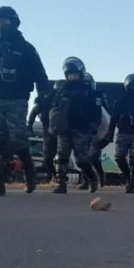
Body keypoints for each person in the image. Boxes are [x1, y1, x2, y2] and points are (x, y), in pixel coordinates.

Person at [0, 6, 48, 196]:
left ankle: (30, 173)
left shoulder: (26, 49)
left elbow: (40, 74)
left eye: (4, 21)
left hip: (17, 98)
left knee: (17, 141)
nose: (0, 25)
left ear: (14, 22)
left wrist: (43, 95)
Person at [49, 57, 101, 194]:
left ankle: (92, 177)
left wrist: (93, 127)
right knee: (61, 156)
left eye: (75, 74)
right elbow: (54, 109)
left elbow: (97, 113)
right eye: (69, 74)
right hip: (64, 129)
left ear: (81, 73)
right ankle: (61, 184)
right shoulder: (61, 90)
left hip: (82, 129)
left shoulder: (90, 92)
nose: (72, 77)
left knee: (81, 160)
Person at [28, 79, 66, 180]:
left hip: (64, 132)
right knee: (48, 157)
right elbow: (35, 111)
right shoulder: (48, 99)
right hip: (49, 130)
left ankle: (61, 178)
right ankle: (54, 176)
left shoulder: (70, 99)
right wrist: (29, 125)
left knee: (62, 156)